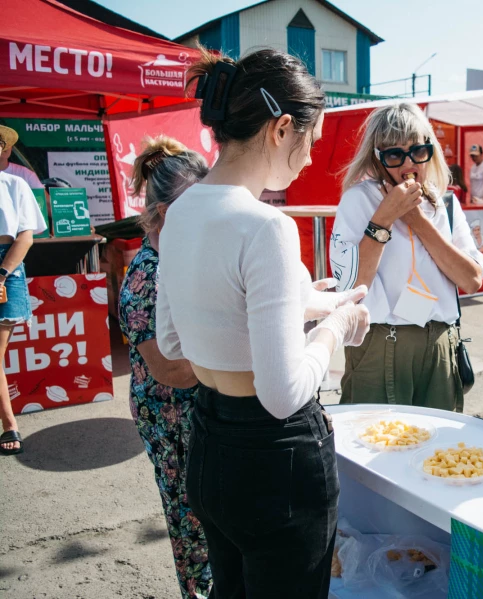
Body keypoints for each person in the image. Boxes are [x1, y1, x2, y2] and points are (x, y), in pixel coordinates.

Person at [156, 48, 370, 598]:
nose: (308, 159)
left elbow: (174, 338)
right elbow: (284, 394)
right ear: (281, 129)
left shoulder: (179, 211)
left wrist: (304, 302)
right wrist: (333, 328)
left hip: (209, 443)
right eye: (312, 142)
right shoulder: (267, 226)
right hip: (277, 461)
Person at [331, 103, 483, 411]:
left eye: (418, 151)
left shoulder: (446, 204)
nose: (408, 164)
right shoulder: (359, 200)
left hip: (440, 342)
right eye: (394, 154)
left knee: (437, 449)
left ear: (431, 151)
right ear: (377, 158)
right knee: (373, 447)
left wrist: (418, 221)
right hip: (379, 342)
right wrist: (383, 220)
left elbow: (472, 280)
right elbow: (352, 288)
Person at [118, 137, 213, 598]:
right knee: (190, 515)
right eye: (194, 205)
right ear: (160, 214)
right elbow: (172, 372)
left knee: (213, 509)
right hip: (170, 415)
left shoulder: (184, 256)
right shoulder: (145, 278)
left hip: (198, 408)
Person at [0, 172, 46, 456]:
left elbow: (26, 236)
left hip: (6, 265)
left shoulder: (14, 184)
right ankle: (9, 422)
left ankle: (8, 423)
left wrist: (1, 275)